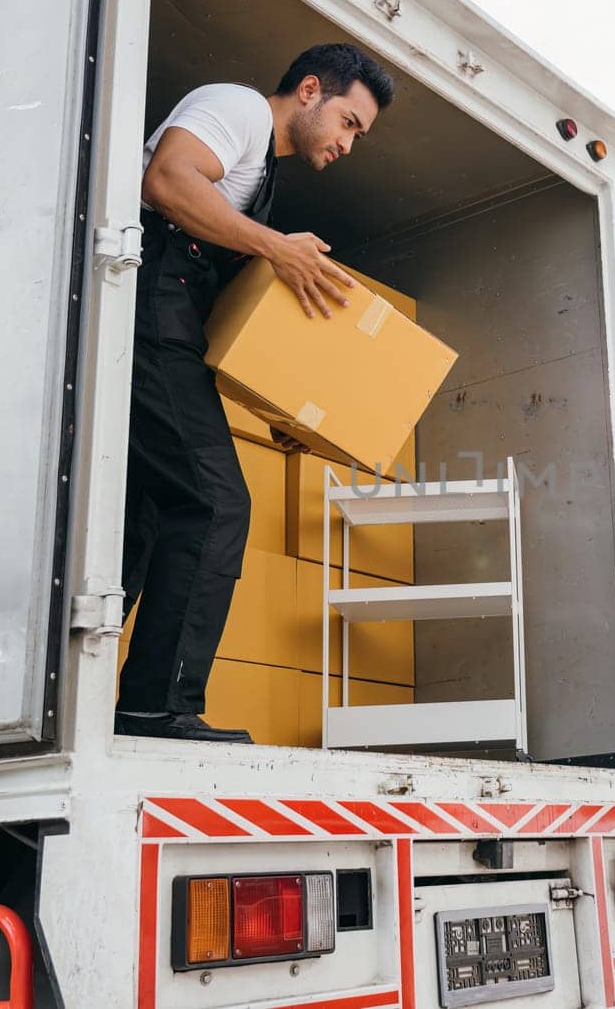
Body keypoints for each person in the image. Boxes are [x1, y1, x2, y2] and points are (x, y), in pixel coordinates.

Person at [116, 44, 395, 743]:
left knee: (148, 516)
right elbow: (169, 179)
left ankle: (95, 697)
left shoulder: (259, 176)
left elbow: (229, 322)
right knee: (215, 501)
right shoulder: (237, 109)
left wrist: (278, 410)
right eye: (349, 122)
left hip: (170, 333)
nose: (349, 144)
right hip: (141, 317)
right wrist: (274, 245)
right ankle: (156, 709)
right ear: (308, 90)